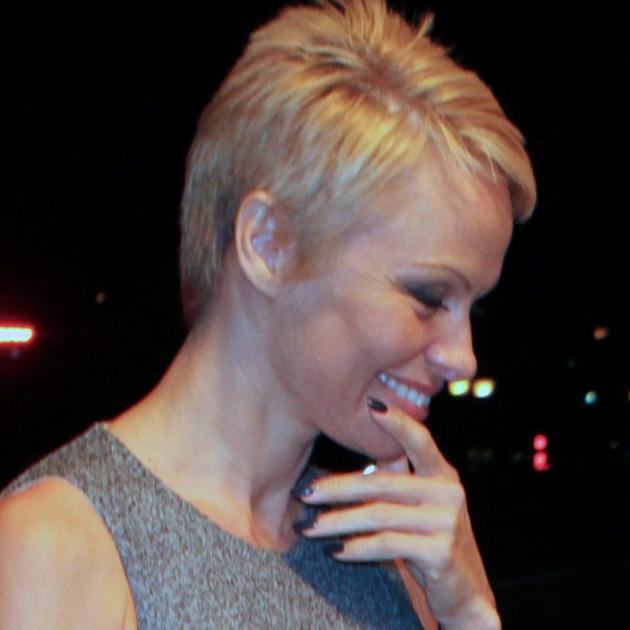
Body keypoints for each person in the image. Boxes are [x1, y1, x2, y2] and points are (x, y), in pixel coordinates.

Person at [0, 0, 536, 628]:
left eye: (472, 306)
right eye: (428, 295)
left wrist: (472, 612)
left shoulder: (387, 556)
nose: (462, 357)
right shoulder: (57, 548)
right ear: (268, 244)